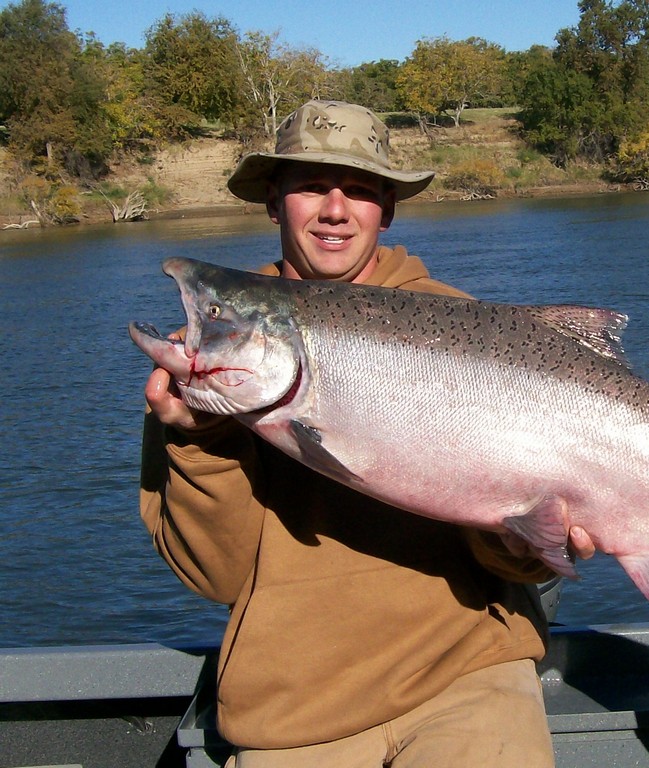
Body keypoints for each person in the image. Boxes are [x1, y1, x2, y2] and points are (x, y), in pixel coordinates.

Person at [140, 99, 594, 767]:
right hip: (294, 709)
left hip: (469, 678)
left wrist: (533, 535)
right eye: (309, 187)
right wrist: (201, 441)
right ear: (273, 202)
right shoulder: (213, 361)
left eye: (357, 190)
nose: (334, 208)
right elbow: (216, 576)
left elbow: (515, 566)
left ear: (387, 209)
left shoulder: (461, 327)